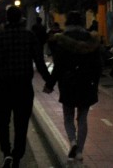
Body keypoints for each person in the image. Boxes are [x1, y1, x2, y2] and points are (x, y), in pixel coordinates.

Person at [0, 5, 53, 168]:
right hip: (23, 86)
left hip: (3, 87)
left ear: (7, 19)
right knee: (21, 123)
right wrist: (49, 81)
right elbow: (39, 61)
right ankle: (17, 155)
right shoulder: (29, 36)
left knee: (1, 121)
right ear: (21, 19)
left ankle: (6, 152)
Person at [44, 11, 102, 163]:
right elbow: (98, 66)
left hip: (68, 82)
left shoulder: (62, 40)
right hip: (86, 83)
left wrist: (50, 84)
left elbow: (58, 66)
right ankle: (80, 152)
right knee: (83, 117)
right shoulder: (91, 40)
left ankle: (72, 141)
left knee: (68, 116)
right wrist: (95, 84)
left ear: (67, 22)